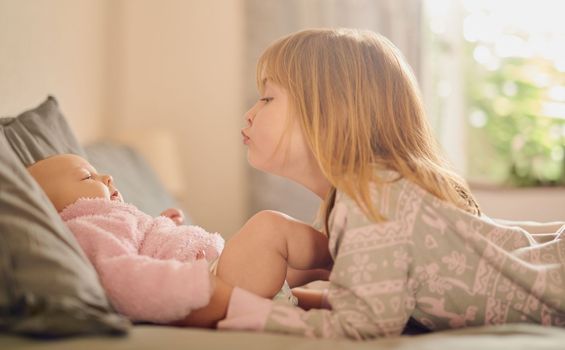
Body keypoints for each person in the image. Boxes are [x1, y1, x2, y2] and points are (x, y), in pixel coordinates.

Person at [215, 28, 565, 339]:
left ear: (329, 113)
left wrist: (242, 309)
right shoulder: (355, 202)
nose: (249, 112)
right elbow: (379, 303)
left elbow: (363, 325)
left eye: (267, 98)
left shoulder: (374, 197)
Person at [27, 153, 333, 327]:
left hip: (217, 273)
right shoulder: (86, 227)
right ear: (50, 207)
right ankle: (338, 251)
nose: (106, 177)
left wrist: (163, 224)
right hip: (208, 288)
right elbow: (122, 277)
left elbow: (143, 245)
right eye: (86, 177)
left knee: (282, 269)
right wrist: (199, 285)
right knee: (268, 229)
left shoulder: (108, 217)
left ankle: (329, 296)